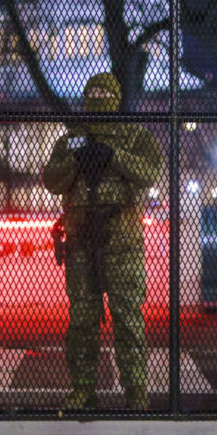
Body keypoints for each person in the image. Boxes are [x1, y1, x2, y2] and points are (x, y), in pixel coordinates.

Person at [42, 72, 163, 410]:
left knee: (128, 318)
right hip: (80, 243)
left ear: (116, 96)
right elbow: (50, 179)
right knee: (82, 319)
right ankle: (83, 389)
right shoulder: (72, 140)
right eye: (91, 90)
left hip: (122, 244)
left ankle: (136, 391)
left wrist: (114, 156)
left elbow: (151, 172)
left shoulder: (133, 136)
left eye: (103, 91)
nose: (97, 96)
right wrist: (75, 163)